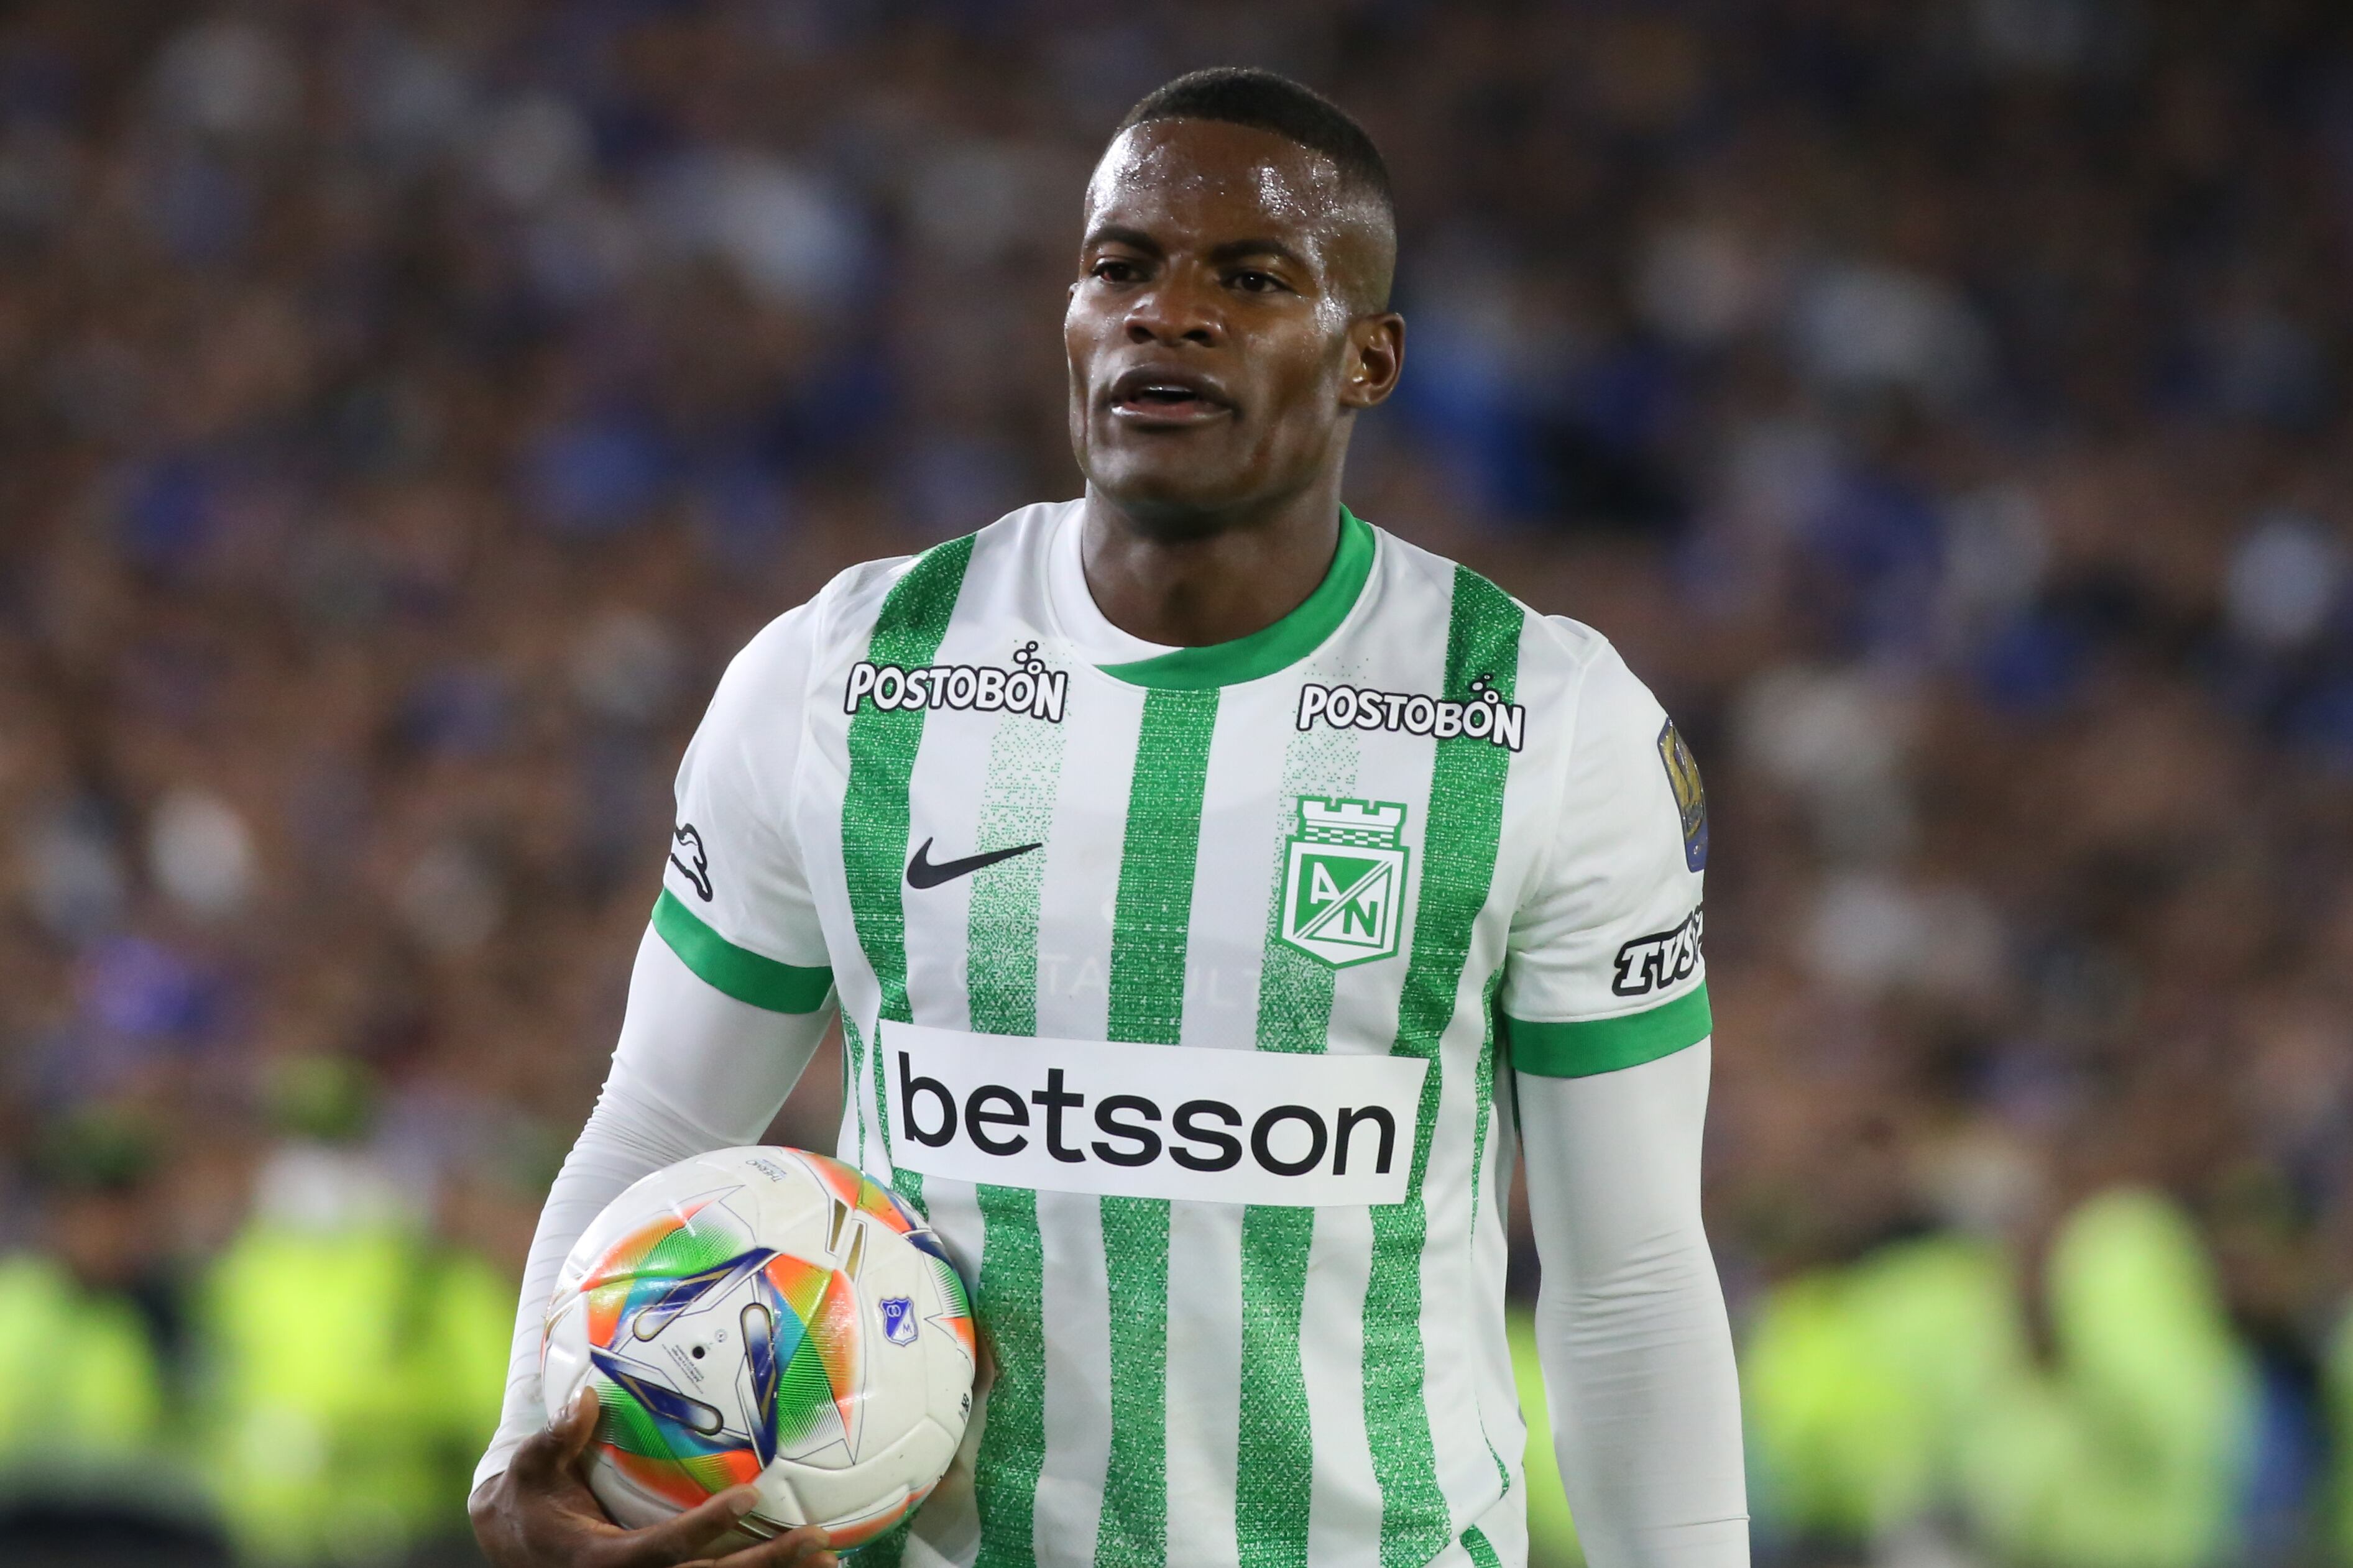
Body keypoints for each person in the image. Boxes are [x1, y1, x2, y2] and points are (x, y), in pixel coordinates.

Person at [470, 67, 1746, 1568]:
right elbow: (667, 1119)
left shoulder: (1546, 718)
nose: (1169, 312)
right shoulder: (846, 674)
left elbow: (1629, 1272)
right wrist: (521, 1453)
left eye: (1252, 277)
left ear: (1369, 359)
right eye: (1122, 268)